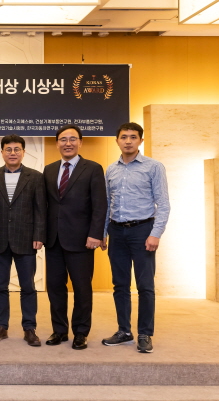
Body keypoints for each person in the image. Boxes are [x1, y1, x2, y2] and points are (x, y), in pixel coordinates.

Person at [101, 122, 169, 353]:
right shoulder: (111, 169)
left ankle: (145, 334)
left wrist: (155, 234)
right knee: (120, 285)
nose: (128, 141)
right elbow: (107, 204)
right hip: (117, 232)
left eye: (133, 137)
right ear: (117, 141)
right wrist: (103, 233)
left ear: (140, 140)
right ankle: (124, 331)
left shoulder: (154, 167)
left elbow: (164, 204)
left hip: (143, 231)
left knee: (145, 286)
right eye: (123, 137)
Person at [43, 124, 107, 350]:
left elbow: (100, 205)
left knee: (82, 288)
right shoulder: (49, 170)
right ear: (57, 144)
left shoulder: (93, 168)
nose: (67, 143)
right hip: (53, 240)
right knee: (55, 287)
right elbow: (45, 205)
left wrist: (96, 234)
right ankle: (59, 330)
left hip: (82, 240)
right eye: (63, 139)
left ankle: (81, 332)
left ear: (80, 142)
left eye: (72, 139)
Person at [0, 135, 46, 347]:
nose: (13, 153)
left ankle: (29, 328)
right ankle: (1, 326)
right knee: (0, 286)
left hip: (26, 239)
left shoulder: (35, 177)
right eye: (8, 149)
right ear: (2, 152)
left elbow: (41, 209)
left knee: (27, 286)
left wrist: (39, 235)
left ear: (23, 152)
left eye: (17, 149)